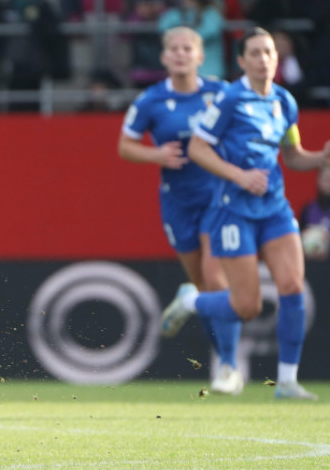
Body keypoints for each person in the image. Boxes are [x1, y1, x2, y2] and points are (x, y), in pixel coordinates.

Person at [162, 27, 330, 400]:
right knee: (247, 306)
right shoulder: (229, 99)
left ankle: (286, 382)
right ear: (241, 61)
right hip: (233, 211)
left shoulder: (285, 102)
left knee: (291, 287)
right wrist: (239, 175)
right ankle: (191, 300)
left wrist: (321, 158)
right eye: (254, 53)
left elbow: (292, 155)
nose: (263, 59)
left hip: (273, 208)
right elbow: (198, 149)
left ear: (277, 58)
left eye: (268, 52)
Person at [118, 26, 240, 394]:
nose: (181, 54)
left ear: (201, 56)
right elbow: (125, 146)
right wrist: (155, 155)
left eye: (188, 48)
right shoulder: (151, 100)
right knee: (203, 285)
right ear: (164, 57)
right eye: (174, 48)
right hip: (177, 201)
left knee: (215, 279)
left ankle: (229, 367)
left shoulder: (220, 92)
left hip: (217, 196)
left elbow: (241, 130)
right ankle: (212, 340)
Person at [3, 0, 69, 111]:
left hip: (35, 60)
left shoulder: (42, 4)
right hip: (15, 60)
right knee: (14, 101)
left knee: (33, 101)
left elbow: (51, 30)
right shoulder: (8, 4)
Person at [158, 0, 225, 80]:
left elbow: (205, 33)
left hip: (210, 73)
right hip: (182, 74)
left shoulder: (212, 14)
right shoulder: (176, 14)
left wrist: (180, 32)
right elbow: (162, 26)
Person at [124, 0, 175, 88]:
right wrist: (139, 15)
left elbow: (176, 29)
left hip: (163, 65)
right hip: (140, 65)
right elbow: (124, 33)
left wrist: (161, 13)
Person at [298, 166, 330, 260]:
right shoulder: (308, 209)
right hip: (310, 264)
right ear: (318, 181)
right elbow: (298, 237)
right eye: (326, 179)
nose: (328, 184)